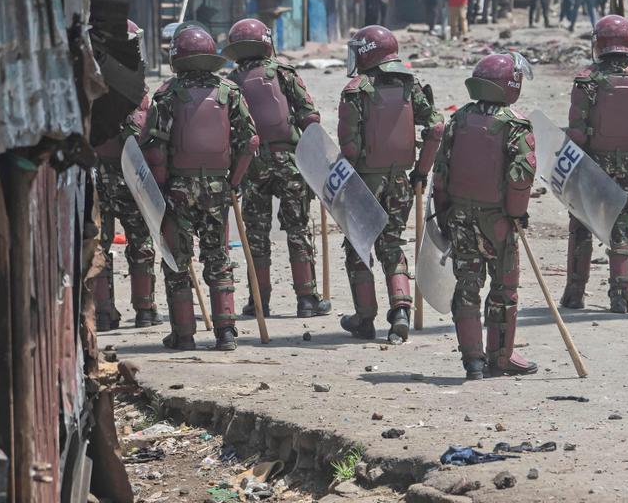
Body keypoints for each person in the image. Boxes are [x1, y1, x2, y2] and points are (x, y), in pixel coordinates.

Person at [141, 24, 259, 350]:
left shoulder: (166, 94)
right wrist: (234, 182)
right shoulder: (229, 91)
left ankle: (184, 334)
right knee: (218, 256)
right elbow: (248, 142)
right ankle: (227, 332)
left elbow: (153, 147)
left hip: (177, 188)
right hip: (218, 188)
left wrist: (162, 188)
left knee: (177, 261)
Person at [433, 53, 538, 380]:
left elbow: (441, 174)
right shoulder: (515, 123)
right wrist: (517, 214)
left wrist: (444, 216)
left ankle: (473, 362)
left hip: (460, 216)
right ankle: (501, 357)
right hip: (499, 221)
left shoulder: (459, 119)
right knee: (504, 290)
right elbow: (521, 175)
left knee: (466, 286)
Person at [338, 26, 444, 344]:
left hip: (364, 183)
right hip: (400, 179)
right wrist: (422, 172)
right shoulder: (409, 86)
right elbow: (436, 127)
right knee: (393, 244)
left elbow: (351, 149)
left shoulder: (356, 90)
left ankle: (364, 319)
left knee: (359, 247)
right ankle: (400, 311)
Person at [224, 18, 330, 319]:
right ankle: (307, 300)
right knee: (297, 229)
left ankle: (259, 301)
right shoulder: (284, 73)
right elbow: (310, 117)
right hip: (289, 164)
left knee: (256, 235)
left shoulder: (231, 81)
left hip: (252, 166)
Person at [561, 15, 628, 314]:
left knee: (581, 225)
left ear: (599, 42)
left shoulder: (587, 80)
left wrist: (567, 172)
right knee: (620, 225)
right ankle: (620, 295)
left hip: (592, 166)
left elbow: (577, 133)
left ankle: (574, 293)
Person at [93, 20, 159, 330]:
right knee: (139, 242)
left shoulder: (91, 85)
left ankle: (107, 314)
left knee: (100, 244)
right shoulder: (135, 89)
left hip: (104, 177)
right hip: (127, 176)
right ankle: (143, 311)